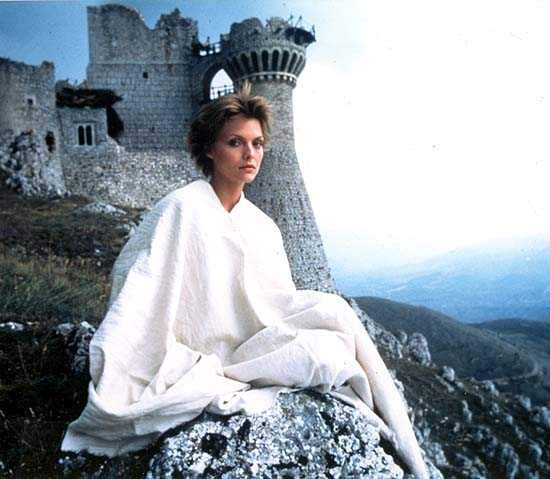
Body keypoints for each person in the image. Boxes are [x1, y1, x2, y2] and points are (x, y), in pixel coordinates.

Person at [60, 81, 430, 479]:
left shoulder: (263, 225)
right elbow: (139, 288)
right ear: (209, 149)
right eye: (235, 142)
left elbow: (273, 304)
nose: (249, 154)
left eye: (257, 143)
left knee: (330, 339)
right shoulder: (180, 208)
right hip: (198, 352)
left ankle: (406, 444)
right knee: (328, 342)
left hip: (250, 347)